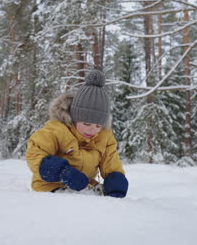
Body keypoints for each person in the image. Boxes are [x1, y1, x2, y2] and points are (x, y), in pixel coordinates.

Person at [25, 70, 129, 198]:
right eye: (86, 124)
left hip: (85, 187)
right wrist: (63, 172)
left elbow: (111, 163)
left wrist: (116, 182)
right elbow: (35, 152)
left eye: (98, 125)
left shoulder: (104, 137)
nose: (92, 130)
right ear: (74, 117)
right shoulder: (56, 130)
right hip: (51, 188)